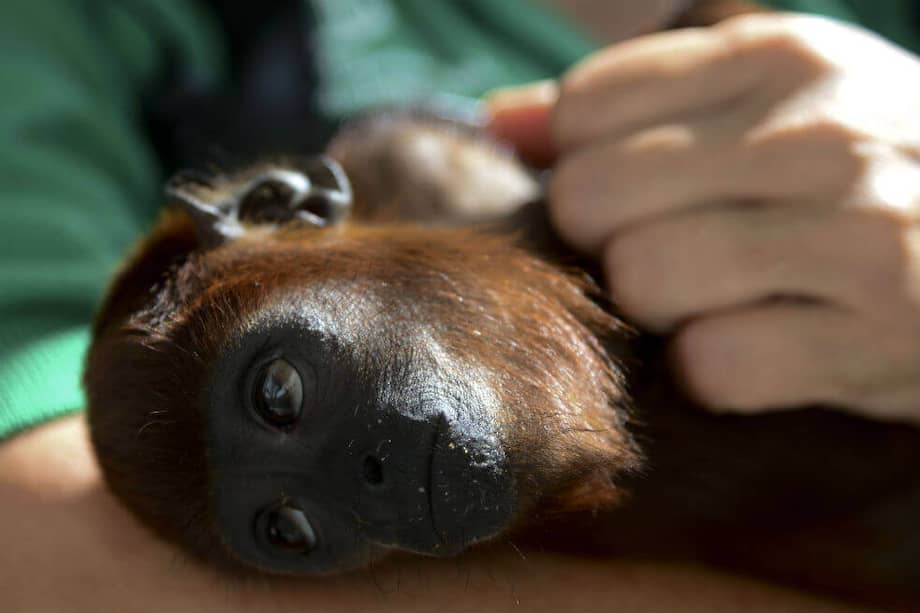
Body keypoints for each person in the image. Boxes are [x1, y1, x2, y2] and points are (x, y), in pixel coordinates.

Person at [1, 1, 917, 610]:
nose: (355, 485)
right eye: (288, 530)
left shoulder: (435, 172)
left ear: (283, 211)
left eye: (278, 395)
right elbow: (25, 533)